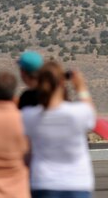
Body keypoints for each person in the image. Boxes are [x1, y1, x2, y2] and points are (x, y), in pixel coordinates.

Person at [21, 61, 95, 198]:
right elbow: (90, 113)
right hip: (77, 183)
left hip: (43, 182)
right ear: (61, 83)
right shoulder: (78, 113)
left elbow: (25, 149)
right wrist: (80, 86)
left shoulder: (29, 116)